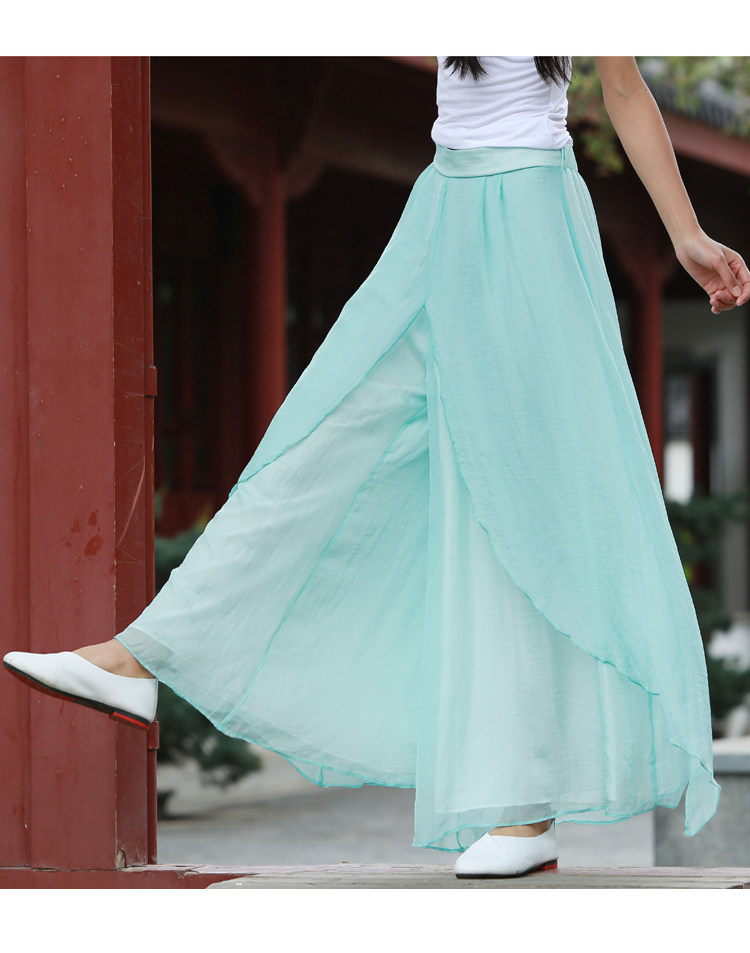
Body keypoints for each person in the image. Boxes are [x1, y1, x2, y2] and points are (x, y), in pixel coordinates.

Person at [5, 56, 750, 880]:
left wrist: (685, 234)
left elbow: (625, 89)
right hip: (441, 210)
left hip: (530, 220)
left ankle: (525, 807)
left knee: (519, 508)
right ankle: (144, 653)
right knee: (324, 441)